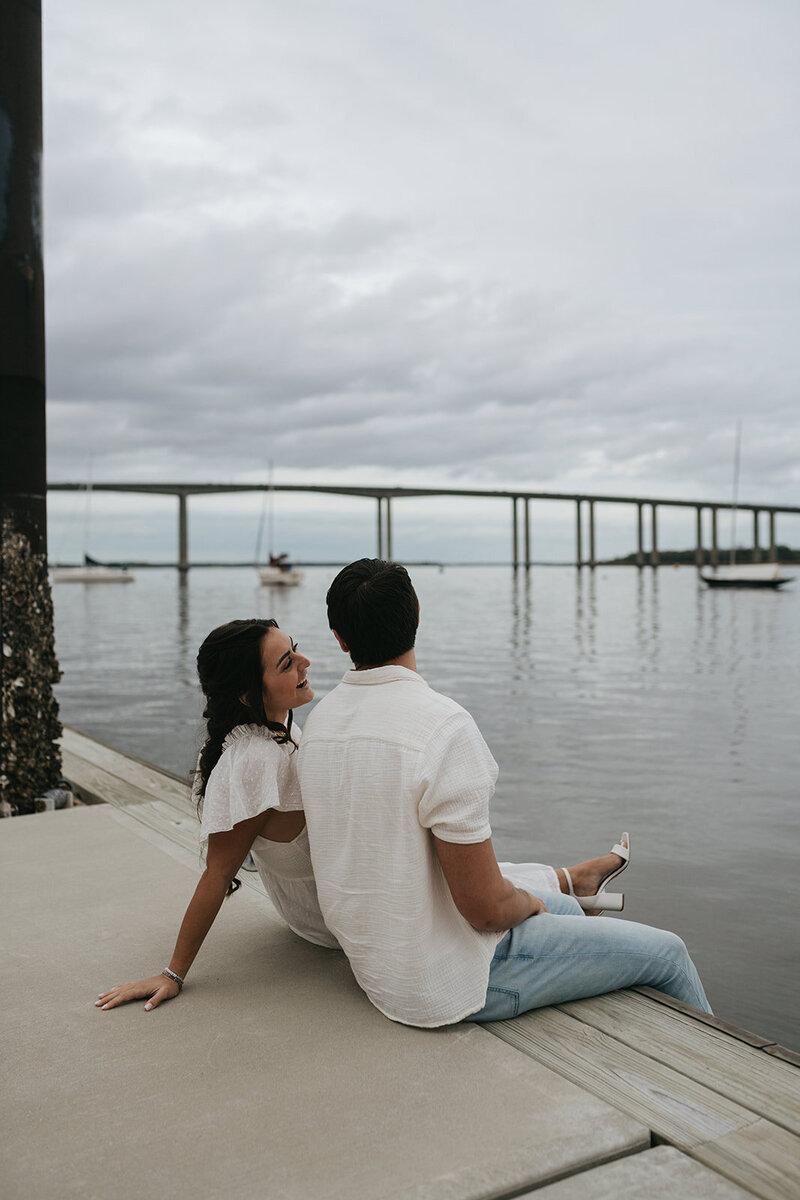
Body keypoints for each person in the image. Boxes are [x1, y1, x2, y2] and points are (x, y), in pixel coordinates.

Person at [95, 616, 639, 1011]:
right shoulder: (251, 764)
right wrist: (172, 972)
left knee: (462, 863)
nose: (306, 663)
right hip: (337, 913)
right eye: (287, 663)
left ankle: (577, 881)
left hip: (342, 890)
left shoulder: (282, 734)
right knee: (468, 878)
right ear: (246, 693)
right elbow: (217, 873)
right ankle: (578, 889)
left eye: (299, 649)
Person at [296, 558, 711, 1028]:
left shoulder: (319, 724)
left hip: (376, 962)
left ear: (340, 638)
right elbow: (487, 909)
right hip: (445, 981)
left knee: (564, 904)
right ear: (416, 616)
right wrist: (528, 901)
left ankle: (577, 892)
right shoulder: (442, 727)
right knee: (670, 954)